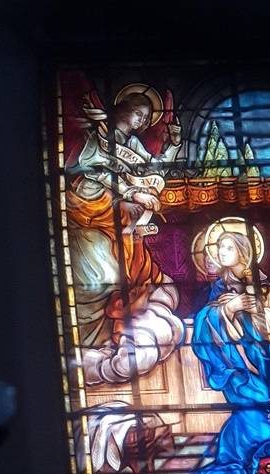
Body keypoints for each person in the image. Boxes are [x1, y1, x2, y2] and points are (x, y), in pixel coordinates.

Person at [65, 88, 185, 384]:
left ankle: (103, 347)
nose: (141, 121)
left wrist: (173, 146)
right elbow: (85, 168)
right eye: (138, 112)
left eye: (145, 118)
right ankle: (85, 345)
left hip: (118, 217)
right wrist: (131, 191)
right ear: (121, 106)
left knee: (119, 275)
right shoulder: (97, 135)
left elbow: (152, 171)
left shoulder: (133, 145)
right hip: (87, 210)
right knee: (97, 280)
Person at [188, 231, 270, 474]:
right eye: (219, 247)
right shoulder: (214, 289)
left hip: (269, 358)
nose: (220, 252)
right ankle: (247, 458)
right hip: (236, 362)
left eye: (227, 247)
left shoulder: (262, 286)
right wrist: (226, 310)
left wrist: (258, 310)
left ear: (243, 252)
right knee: (251, 409)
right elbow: (202, 323)